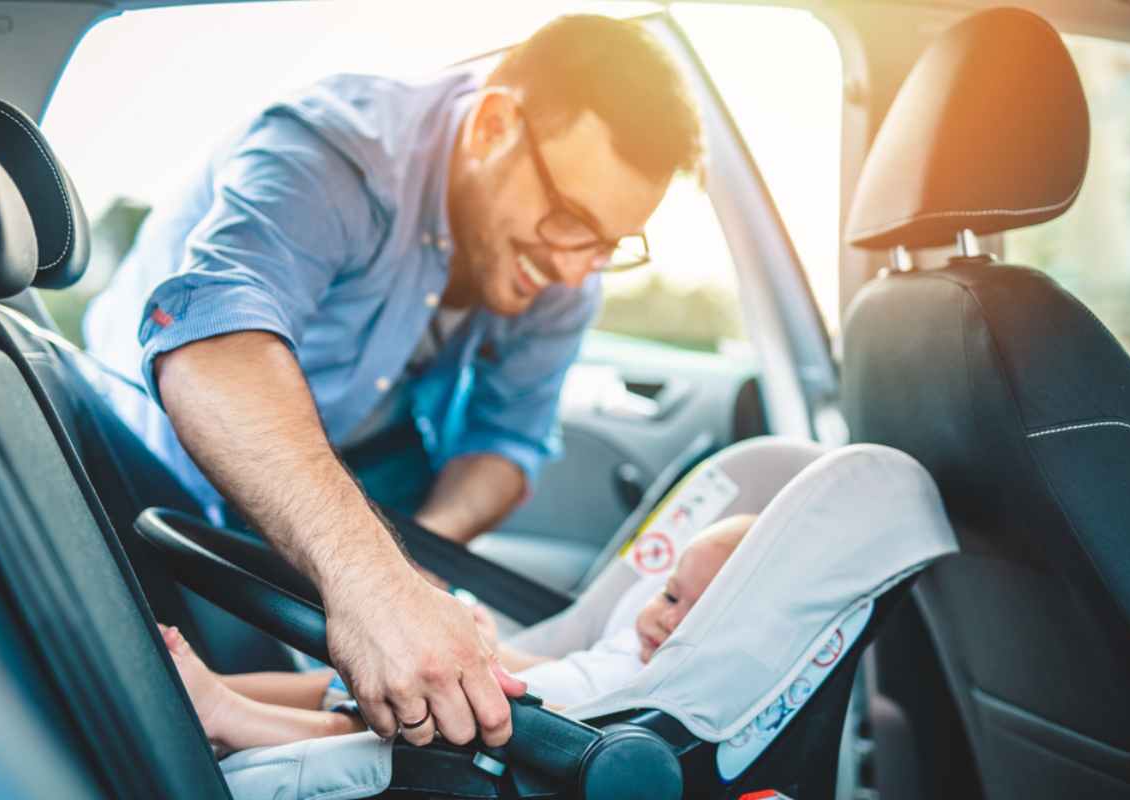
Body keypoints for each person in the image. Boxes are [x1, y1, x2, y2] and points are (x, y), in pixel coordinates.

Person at [83, 14, 702, 750]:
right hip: (161, 456)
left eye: (609, 244)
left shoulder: (566, 267)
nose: (575, 270)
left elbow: (507, 441)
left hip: (355, 458)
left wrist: (414, 567)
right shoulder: (335, 151)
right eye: (570, 220)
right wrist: (369, 580)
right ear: (494, 126)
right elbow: (212, 345)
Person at [161, 516, 754, 756]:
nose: (668, 620)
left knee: (364, 723)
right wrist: (493, 647)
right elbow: (560, 665)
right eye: (670, 597)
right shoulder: (632, 644)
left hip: (504, 726)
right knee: (333, 679)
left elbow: (581, 706)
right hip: (495, 683)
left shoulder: (666, 689)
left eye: (693, 619)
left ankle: (231, 716)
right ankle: (204, 686)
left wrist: (494, 682)